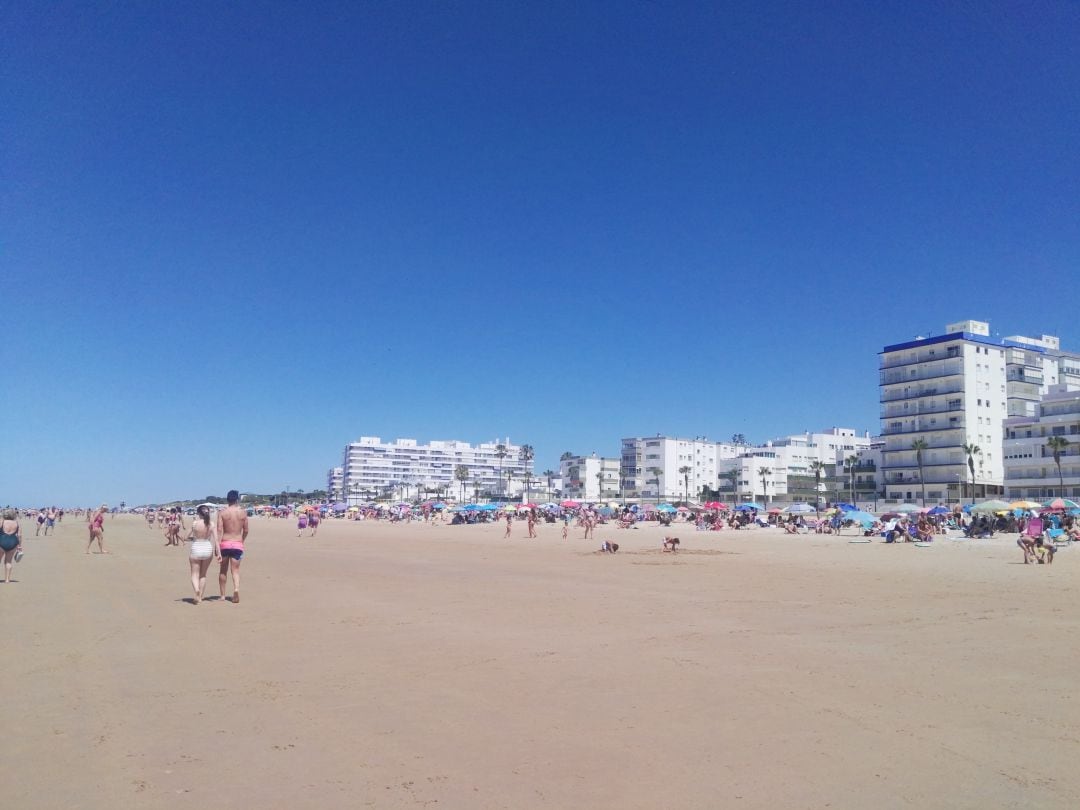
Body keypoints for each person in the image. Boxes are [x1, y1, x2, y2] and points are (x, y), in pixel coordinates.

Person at [216, 490, 249, 604]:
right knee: (235, 570)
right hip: (237, 543)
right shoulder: (243, 513)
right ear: (237, 500)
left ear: (227, 499)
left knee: (223, 571)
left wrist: (217, 546)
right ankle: (236, 589)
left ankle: (223, 596)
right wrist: (242, 540)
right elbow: (246, 530)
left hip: (225, 543)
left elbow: (219, 530)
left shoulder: (222, 513)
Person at [185, 505, 220, 603]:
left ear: (198, 513)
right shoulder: (211, 524)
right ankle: (200, 597)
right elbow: (216, 540)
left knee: (194, 573)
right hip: (207, 548)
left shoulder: (195, 523)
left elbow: (185, 537)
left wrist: (194, 538)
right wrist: (219, 553)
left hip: (196, 547)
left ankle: (196, 590)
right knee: (203, 574)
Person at [1, 509, 22, 583]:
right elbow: (19, 535)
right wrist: (20, 546)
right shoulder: (16, 523)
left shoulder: (2, 521)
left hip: (1, 541)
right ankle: (7, 580)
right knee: (8, 562)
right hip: (13, 542)